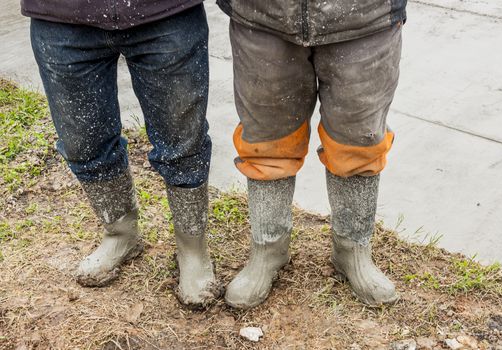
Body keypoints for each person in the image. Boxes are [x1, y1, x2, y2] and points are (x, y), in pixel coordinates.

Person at [22, 0, 221, 307]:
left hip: (165, 12)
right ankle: (120, 233)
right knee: (83, 142)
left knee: (183, 140)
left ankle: (193, 248)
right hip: (61, 14)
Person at [217, 0, 407, 308]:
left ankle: (352, 248)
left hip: (365, 15)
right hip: (263, 12)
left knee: (359, 137)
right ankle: (269, 247)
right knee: (267, 134)